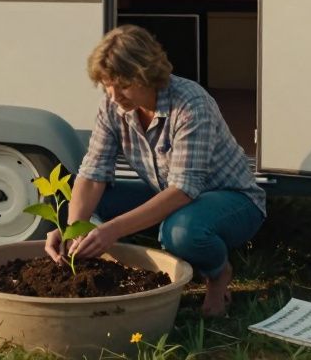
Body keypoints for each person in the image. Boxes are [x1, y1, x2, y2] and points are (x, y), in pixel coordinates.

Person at [44, 25, 266, 316]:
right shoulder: (113, 107)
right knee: (76, 204)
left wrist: (113, 230)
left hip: (232, 199)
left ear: (146, 74)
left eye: (122, 84)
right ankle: (102, 270)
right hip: (169, 194)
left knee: (181, 232)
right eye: (106, 85)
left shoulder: (190, 104)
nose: (113, 95)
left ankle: (218, 274)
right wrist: (72, 229)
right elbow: (93, 173)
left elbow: (184, 190)